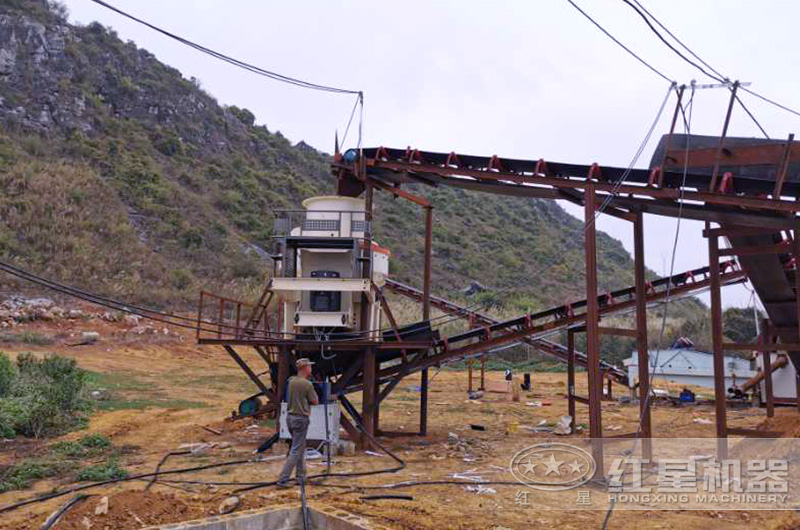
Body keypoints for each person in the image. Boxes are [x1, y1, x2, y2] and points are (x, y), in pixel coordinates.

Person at [277, 358, 319, 487]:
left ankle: (301, 477)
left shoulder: (291, 381)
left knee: (300, 447)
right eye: (310, 367)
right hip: (301, 418)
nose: (311, 369)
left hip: (290, 418)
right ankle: (283, 479)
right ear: (305, 368)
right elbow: (315, 401)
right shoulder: (307, 384)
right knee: (295, 450)